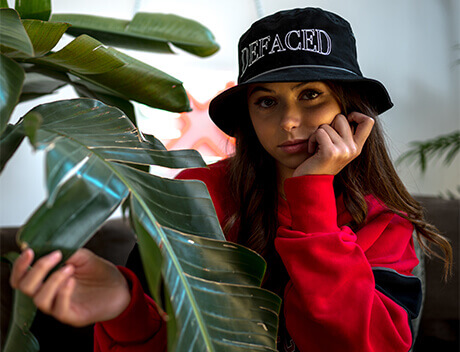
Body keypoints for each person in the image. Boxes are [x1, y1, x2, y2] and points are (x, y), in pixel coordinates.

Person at [10, 7, 452, 352]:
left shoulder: (386, 226)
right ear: (247, 114)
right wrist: (124, 307)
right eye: (266, 102)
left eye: (311, 95)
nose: (290, 121)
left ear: (350, 109)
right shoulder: (198, 194)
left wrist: (312, 194)